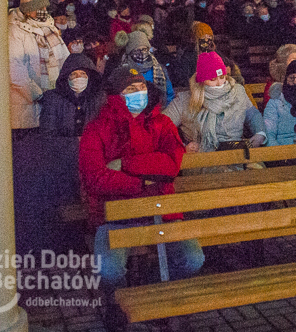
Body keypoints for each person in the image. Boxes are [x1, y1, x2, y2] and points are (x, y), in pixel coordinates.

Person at [79, 66, 204, 331]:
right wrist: (143, 181)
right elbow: (95, 178)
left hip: (163, 210)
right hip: (116, 214)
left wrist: (124, 164)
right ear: (116, 95)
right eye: (131, 89)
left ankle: (156, 292)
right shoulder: (97, 129)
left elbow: (170, 164)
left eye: (142, 88)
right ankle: (117, 303)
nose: (140, 93)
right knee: (109, 269)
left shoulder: (163, 123)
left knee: (193, 259)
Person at [163, 52, 266, 159]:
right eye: (212, 79)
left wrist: (260, 133)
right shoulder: (185, 100)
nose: (219, 83)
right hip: (199, 158)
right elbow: (163, 127)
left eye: (222, 77)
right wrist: (182, 147)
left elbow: (252, 115)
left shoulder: (238, 92)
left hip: (236, 154)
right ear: (201, 80)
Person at [9, 0, 70, 136]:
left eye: (45, 7)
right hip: (27, 111)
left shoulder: (49, 28)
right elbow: (15, 70)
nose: (44, 10)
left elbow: (64, 59)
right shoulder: (15, 31)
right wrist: (39, 95)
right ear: (29, 10)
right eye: (39, 8)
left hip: (52, 105)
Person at [39, 53, 106, 137]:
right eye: (73, 74)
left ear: (89, 76)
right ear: (66, 77)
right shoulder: (53, 99)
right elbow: (48, 133)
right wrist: (74, 142)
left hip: (91, 148)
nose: (78, 77)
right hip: (62, 149)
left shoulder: (98, 99)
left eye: (82, 74)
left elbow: (104, 131)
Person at [116, 30, 175, 105]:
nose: (142, 53)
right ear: (130, 52)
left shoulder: (159, 68)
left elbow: (169, 93)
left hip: (157, 111)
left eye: (144, 49)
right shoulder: (123, 71)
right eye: (137, 50)